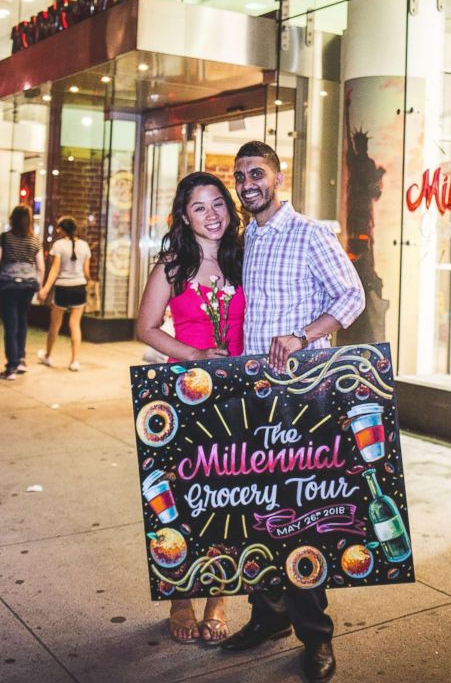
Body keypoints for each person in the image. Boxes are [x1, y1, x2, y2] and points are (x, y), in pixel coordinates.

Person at [221, 141, 365, 683]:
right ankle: (268, 616)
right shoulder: (248, 238)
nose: (247, 183)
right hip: (253, 395)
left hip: (302, 398)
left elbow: (352, 297)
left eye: (256, 173)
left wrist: (302, 336)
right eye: (240, 176)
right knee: (257, 512)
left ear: (279, 177)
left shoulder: (309, 235)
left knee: (301, 516)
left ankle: (316, 637)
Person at [136, 171, 245, 646]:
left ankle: (218, 596)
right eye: (199, 207)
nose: (212, 215)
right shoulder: (172, 266)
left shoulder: (246, 259)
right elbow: (146, 328)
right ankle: (181, 595)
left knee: (230, 499)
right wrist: (197, 356)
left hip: (241, 398)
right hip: (188, 397)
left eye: (218, 203)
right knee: (183, 499)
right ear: (184, 216)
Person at [0, 204, 45, 380]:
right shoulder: (34, 240)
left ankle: (11, 367)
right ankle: (21, 359)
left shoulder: (5, 238)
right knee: (22, 322)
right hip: (28, 286)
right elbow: (41, 268)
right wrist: (40, 287)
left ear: (12, 218)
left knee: (11, 324)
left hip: (8, 286)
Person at [37, 217, 91, 371]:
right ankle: (74, 361)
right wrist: (88, 281)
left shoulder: (59, 245)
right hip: (79, 286)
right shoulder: (85, 245)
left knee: (55, 324)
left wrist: (46, 288)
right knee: (75, 324)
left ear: (62, 228)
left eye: (58, 227)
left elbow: (55, 269)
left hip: (62, 287)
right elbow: (87, 271)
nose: (57, 230)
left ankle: (48, 356)